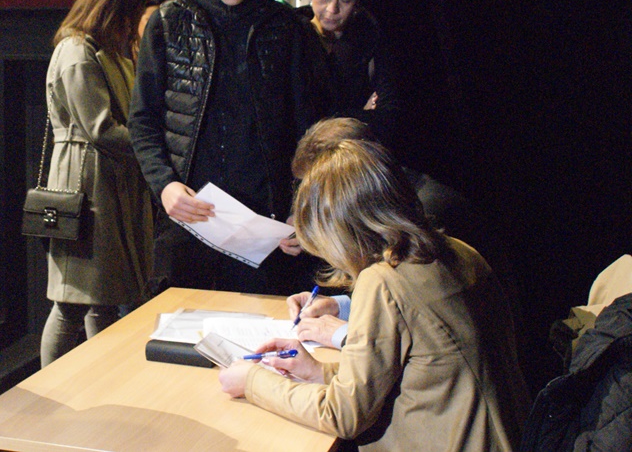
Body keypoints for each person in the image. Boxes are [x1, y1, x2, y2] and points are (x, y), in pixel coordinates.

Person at [218, 139, 530, 451]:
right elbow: (420, 373)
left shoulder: (383, 281)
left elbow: (343, 415)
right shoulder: (459, 250)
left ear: (341, 230)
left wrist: (253, 381)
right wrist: (319, 371)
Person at [129, 0, 324, 295]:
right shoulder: (168, 21)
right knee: (180, 321)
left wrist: (301, 207)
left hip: (266, 219)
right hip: (190, 213)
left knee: (263, 323)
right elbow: (143, 119)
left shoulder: (287, 28)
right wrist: (165, 185)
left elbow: (309, 129)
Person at [280, 117, 522, 351]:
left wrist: (342, 334)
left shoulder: (426, 216)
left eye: (318, 189)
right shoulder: (398, 201)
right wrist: (340, 306)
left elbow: (422, 329)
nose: (315, 202)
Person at [40, 0, 154, 366]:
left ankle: (100, 378)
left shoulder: (99, 50)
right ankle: (48, 387)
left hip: (103, 179)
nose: (131, 28)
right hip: (86, 183)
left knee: (102, 296)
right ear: (111, 10)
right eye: (128, 17)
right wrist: (154, 149)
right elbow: (101, 128)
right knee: (71, 301)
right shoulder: (76, 52)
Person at [297, 0, 400, 148]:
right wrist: (359, 115)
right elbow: (299, 120)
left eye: (345, 0)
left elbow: (389, 117)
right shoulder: (290, 33)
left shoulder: (372, 35)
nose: (332, 9)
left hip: (360, 156)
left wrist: (331, 121)